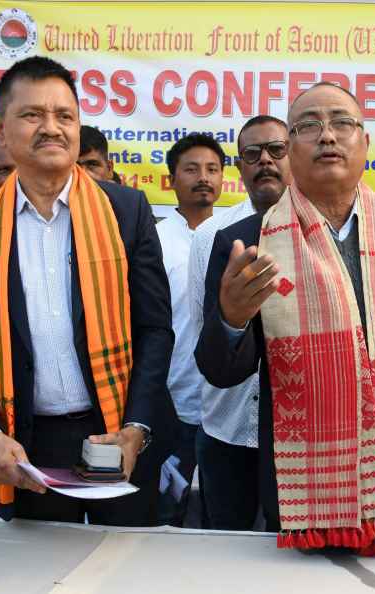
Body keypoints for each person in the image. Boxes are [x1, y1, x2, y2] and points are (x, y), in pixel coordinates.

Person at [195, 82, 375, 556]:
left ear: (365, 143)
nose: (327, 136)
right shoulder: (249, 240)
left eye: (342, 122)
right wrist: (233, 320)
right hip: (302, 484)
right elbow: (222, 371)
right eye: (309, 126)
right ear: (289, 150)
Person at [0, 56, 174, 525]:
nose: (52, 128)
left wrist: (136, 429)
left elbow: (155, 329)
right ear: (0, 129)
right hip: (24, 443)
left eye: (65, 116)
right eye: (32, 115)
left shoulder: (126, 210)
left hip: (118, 437)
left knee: (125, 569)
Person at [189, 115, 292, 530]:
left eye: (276, 150)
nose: (265, 160)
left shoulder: (313, 231)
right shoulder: (213, 235)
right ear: (239, 165)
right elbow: (205, 326)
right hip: (225, 427)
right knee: (221, 556)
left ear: (293, 155)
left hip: (291, 432)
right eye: (252, 153)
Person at [154, 133, 224, 526]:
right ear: (171, 180)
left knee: (222, 521)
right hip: (172, 405)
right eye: (192, 169)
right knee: (167, 517)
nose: (203, 178)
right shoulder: (154, 240)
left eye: (212, 169)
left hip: (223, 407)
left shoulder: (233, 234)